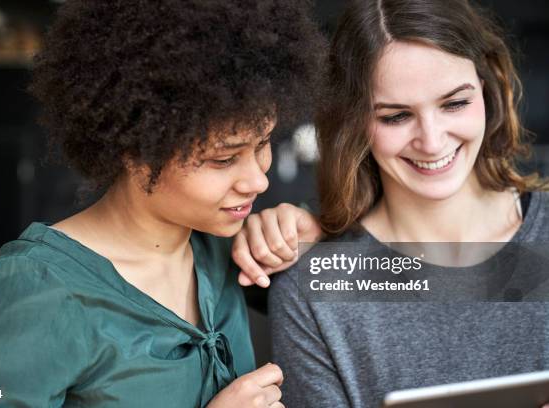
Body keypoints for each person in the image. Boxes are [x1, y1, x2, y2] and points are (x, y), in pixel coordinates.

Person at [0, 0, 325, 407]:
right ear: (137, 148)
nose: (258, 179)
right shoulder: (36, 289)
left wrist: (316, 231)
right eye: (223, 159)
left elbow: (395, 281)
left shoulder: (223, 248)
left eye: (263, 144)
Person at [232, 0, 549, 406]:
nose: (432, 141)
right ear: (354, 122)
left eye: (454, 103)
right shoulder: (315, 289)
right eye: (396, 117)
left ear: (487, 89)